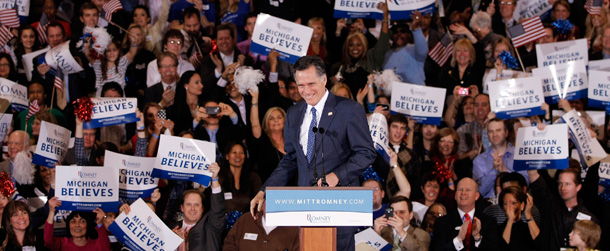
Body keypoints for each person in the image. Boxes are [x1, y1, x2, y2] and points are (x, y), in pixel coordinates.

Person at [250, 56, 376, 251]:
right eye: (301, 85)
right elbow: (290, 159)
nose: (306, 91)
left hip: (339, 207)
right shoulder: (293, 113)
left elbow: (366, 153)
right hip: (306, 210)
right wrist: (264, 190)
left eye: (311, 83)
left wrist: (337, 176)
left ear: (324, 79)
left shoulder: (348, 109)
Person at [528, 168, 600, 250]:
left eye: (567, 184)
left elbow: (592, 247)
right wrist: (532, 172)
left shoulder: (589, 219)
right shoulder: (551, 206)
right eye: (560, 184)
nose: (563, 188)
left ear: (578, 187)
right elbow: (539, 187)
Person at [430, 178, 499, 250]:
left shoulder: (489, 222)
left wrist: (477, 237)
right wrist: (458, 239)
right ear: (455, 195)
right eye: (460, 190)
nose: (463, 193)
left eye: (468, 190)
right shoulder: (441, 222)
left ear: (476, 196)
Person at [473, 118, 529, 199]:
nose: (494, 134)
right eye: (491, 131)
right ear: (487, 135)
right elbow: (479, 191)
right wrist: (494, 172)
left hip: (516, 201)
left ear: (506, 133)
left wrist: (505, 170)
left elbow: (526, 183)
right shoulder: (479, 160)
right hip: (489, 205)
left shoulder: (519, 155)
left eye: (498, 130)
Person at [44, 197, 111, 250]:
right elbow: (48, 241)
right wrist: (52, 211)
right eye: (73, 221)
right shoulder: (63, 243)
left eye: (82, 221)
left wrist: (100, 223)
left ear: (88, 225)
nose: (77, 225)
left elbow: (106, 249)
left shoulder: (96, 244)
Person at [382, 12, 428, 85]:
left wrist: (416, 29)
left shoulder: (415, 50)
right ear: (391, 36)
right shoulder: (386, 54)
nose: (399, 34)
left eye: (403, 31)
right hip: (393, 94)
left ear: (409, 34)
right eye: (395, 32)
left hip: (415, 93)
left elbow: (423, 50)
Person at [498, 186, 541, 250]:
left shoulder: (527, 228)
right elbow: (502, 247)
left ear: (522, 205)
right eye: (505, 204)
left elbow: (540, 243)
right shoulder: (498, 229)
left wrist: (528, 213)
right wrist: (510, 221)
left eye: (513, 203)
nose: (509, 207)